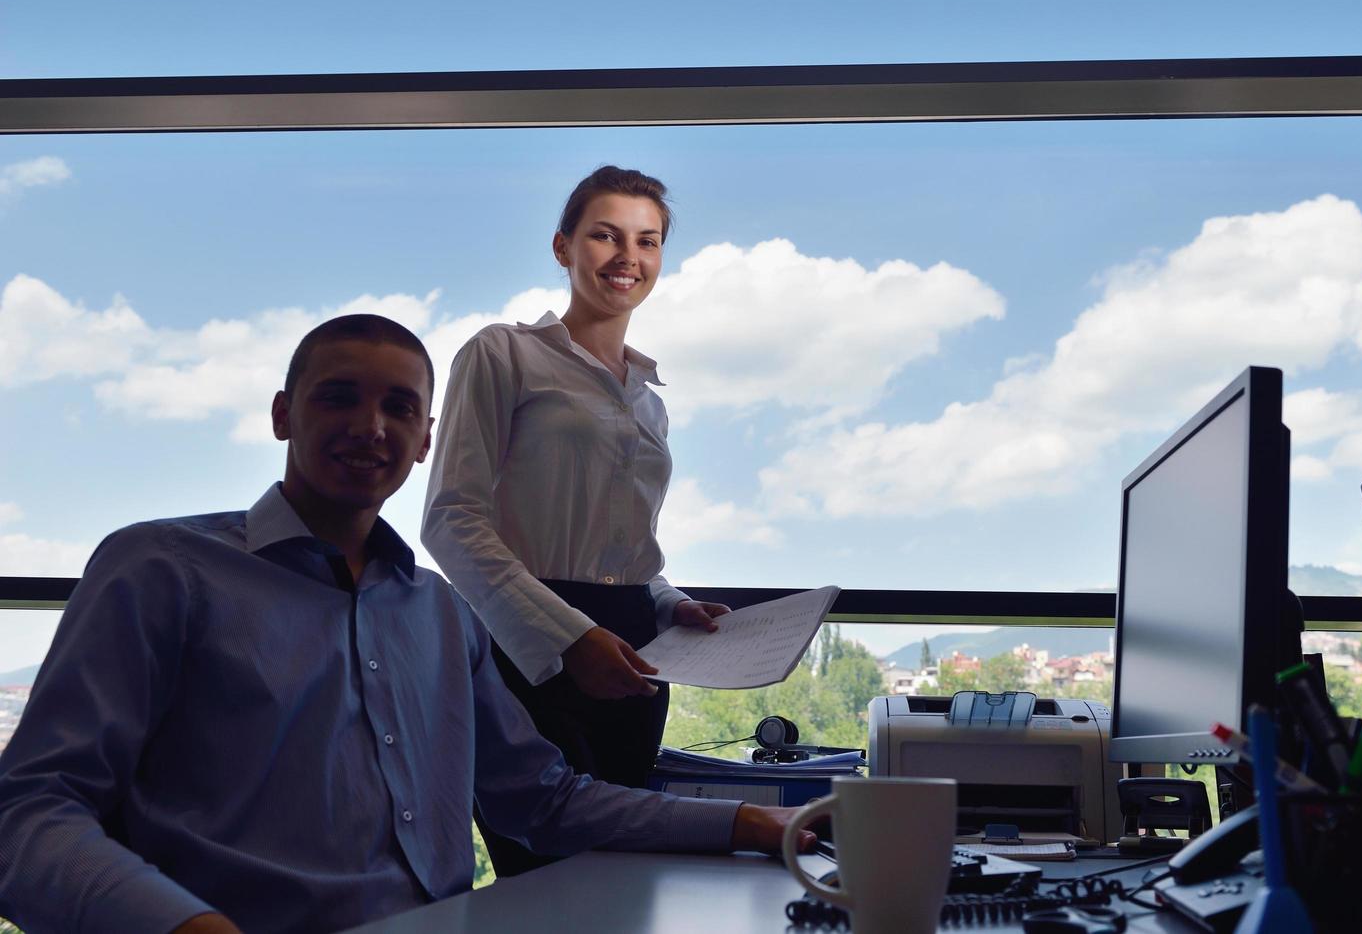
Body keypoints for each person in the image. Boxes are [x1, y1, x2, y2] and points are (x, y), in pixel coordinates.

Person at [0, 315, 806, 934]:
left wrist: (757, 823)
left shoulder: (442, 616)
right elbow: (29, 810)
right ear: (283, 414)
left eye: (399, 407)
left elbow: (545, 800)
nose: (370, 426)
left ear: (426, 440)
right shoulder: (162, 570)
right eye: (338, 397)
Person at [422, 167, 729, 869]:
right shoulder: (503, 353)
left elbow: (618, 548)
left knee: (618, 871)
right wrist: (572, 636)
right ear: (563, 247)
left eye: (647, 242)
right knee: (541, 872)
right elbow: (450, 519)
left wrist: (669, 600)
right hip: (529, 649)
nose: (629, 257)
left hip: (635, 655)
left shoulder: (649, 398)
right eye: (606, 235)